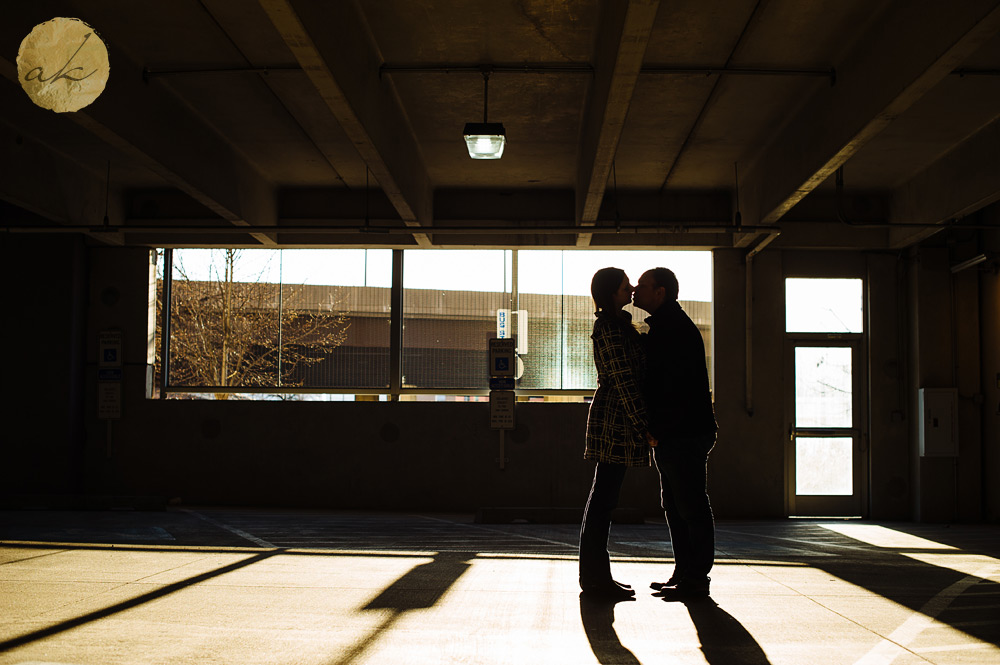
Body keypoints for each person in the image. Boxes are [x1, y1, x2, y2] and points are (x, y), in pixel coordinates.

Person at [632, 267, 718, 599]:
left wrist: (658, 430)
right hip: (679, 431)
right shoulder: (666, 326)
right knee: (676, 503)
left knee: (690, 504)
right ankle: (686, 573)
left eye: (643, 286)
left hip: (682, 432)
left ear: (661, 292)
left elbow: (675, 390)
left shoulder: (673, 330)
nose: (637, 290)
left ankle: (696, 579)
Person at [579, 267, 654, 601]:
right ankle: (595, 578)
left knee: (603, 500)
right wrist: (644, 426)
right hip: (615, 422)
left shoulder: (618, 324)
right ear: (612, 292)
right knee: (603, 502)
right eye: (626, 285)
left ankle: (596, 576)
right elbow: (624, 380)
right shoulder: (609, 327)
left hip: (616, 420)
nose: (632, 288)